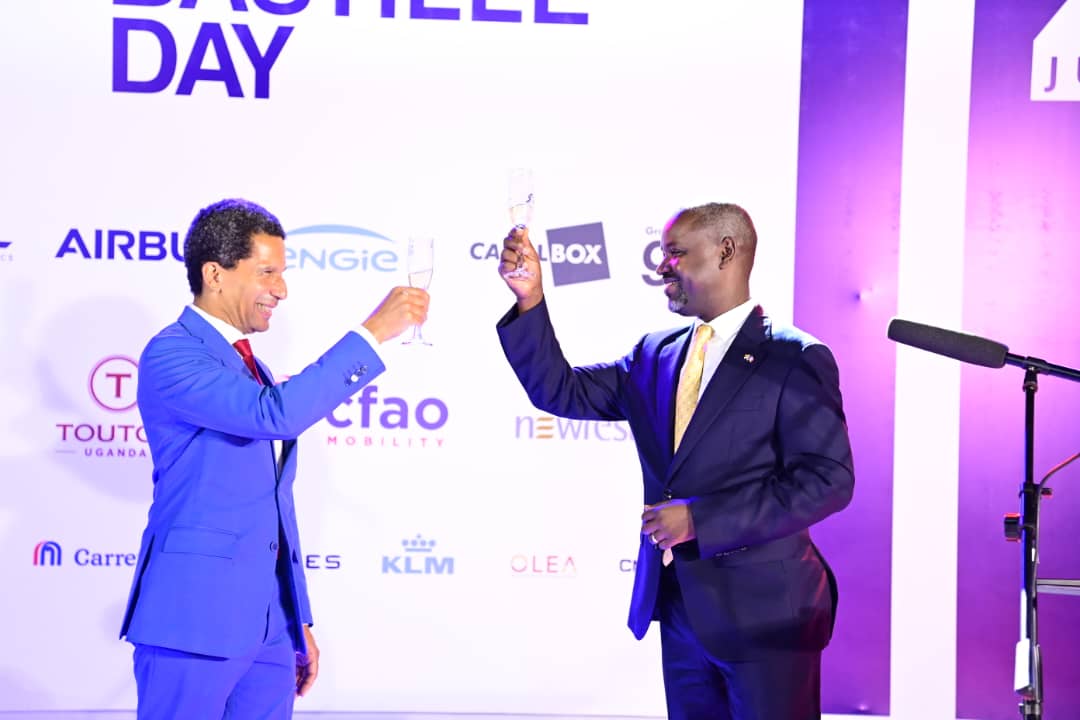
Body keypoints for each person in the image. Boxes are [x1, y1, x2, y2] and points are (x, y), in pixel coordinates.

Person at [496, 202, 854, 720]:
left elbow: (828, 481)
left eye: (676, 254)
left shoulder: (794, 357)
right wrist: (530, 300)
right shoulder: (655, 352)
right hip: (683, 610)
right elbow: (562, 391)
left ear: (726, 252)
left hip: (770, 619)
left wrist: (700, 520)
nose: (662, 268)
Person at [119, 198, 428, 719]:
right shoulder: (172, 353)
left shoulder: (251, 364)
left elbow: (275, 508)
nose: (281, 290)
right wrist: (372, 334)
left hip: (268, 634)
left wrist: (294, 618)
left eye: (282, 274)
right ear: (214, 274)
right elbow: (275, 416)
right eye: (267, 272)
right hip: (192, 620)